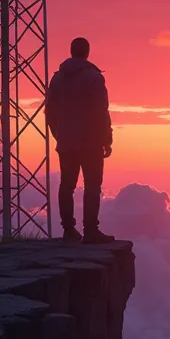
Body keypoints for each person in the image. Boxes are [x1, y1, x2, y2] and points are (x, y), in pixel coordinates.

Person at [46, 37, 115, 243]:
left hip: (66, 142)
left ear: (71, 51)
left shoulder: (57, 78)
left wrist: (59, 134)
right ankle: (91, 231)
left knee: (67, 185)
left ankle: (68, 231)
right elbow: (101, 111)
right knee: (92, 185)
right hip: (90, 142)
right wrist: (106, 138)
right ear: (87, 52)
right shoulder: (94, 77)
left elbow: (50, 111)